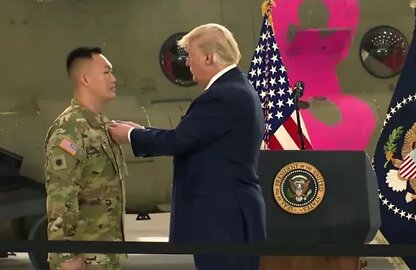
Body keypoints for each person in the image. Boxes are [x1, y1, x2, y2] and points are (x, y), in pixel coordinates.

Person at [108, 23, 266, 270]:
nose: (187, 63)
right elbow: (192, 137)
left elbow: (179, 141)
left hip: (221, 219)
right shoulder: (236, 89)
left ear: (208, 57)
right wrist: (141, 131)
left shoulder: (223, 95)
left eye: (190, 56)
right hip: (227, 215)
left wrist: (130, 135)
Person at [44, 46, 128, 270]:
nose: (113, 78)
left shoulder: (100, 125)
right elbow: (61, 196)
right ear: (84, 79)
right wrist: (66, 256)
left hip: (105, 257)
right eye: (106, 72)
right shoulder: (69, 130)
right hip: (86, 260)